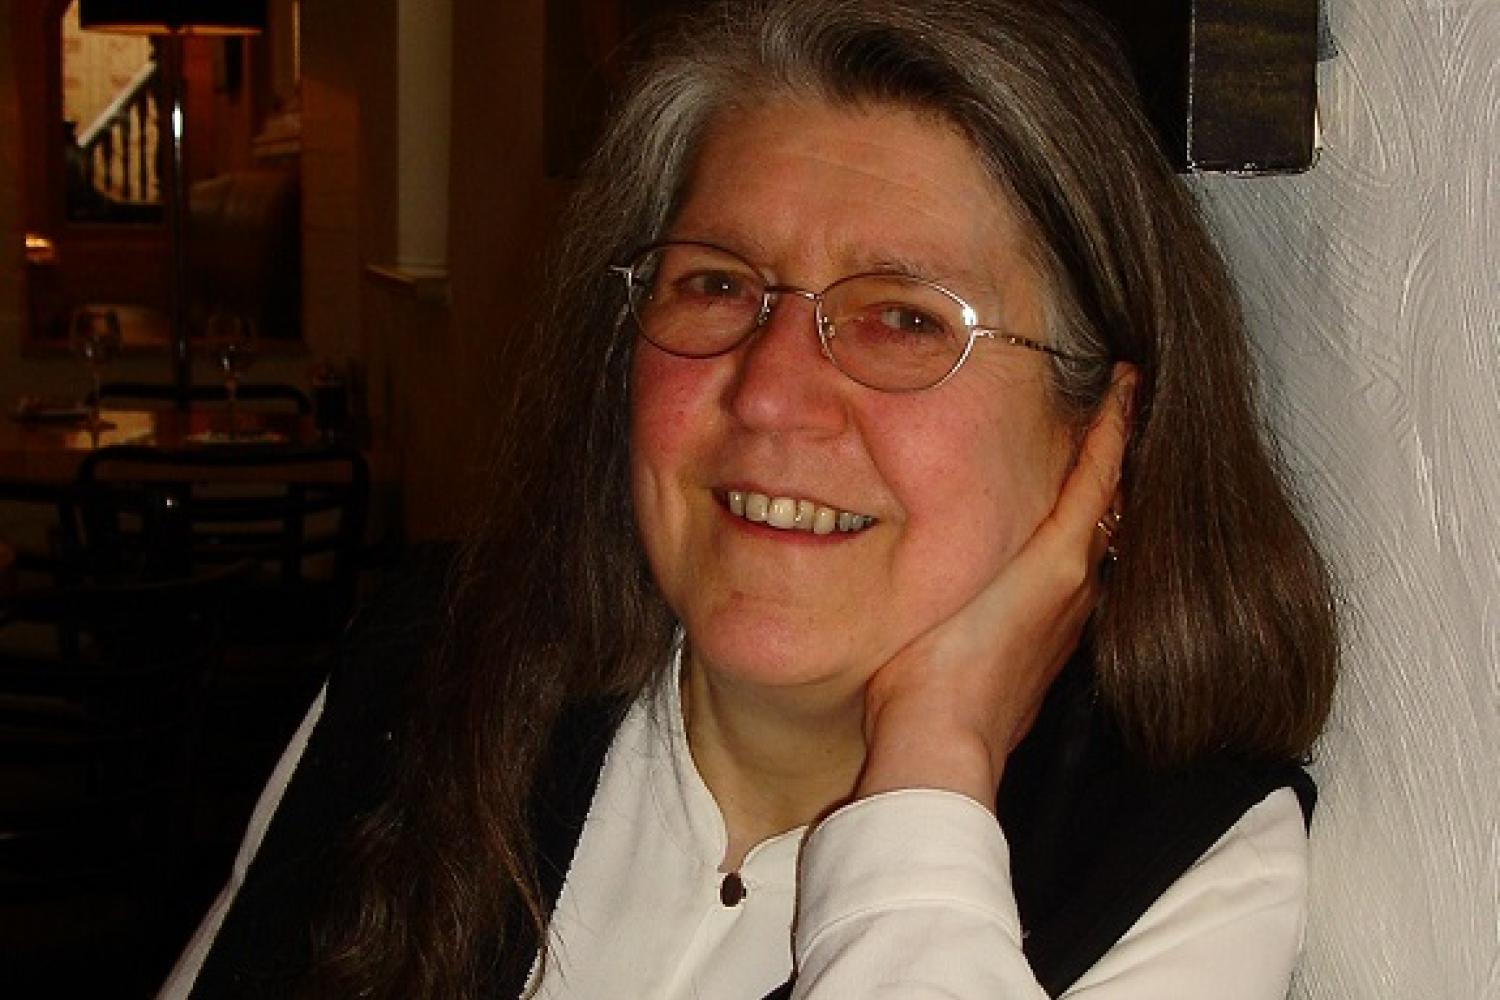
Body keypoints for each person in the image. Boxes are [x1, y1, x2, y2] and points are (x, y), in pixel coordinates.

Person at [162, 0, 1338, 996]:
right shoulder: (425, 672)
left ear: (1103, 441)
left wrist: (929, 767)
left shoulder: (1176, 865)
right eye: (718, 284)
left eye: (903, 317)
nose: (771, 393)